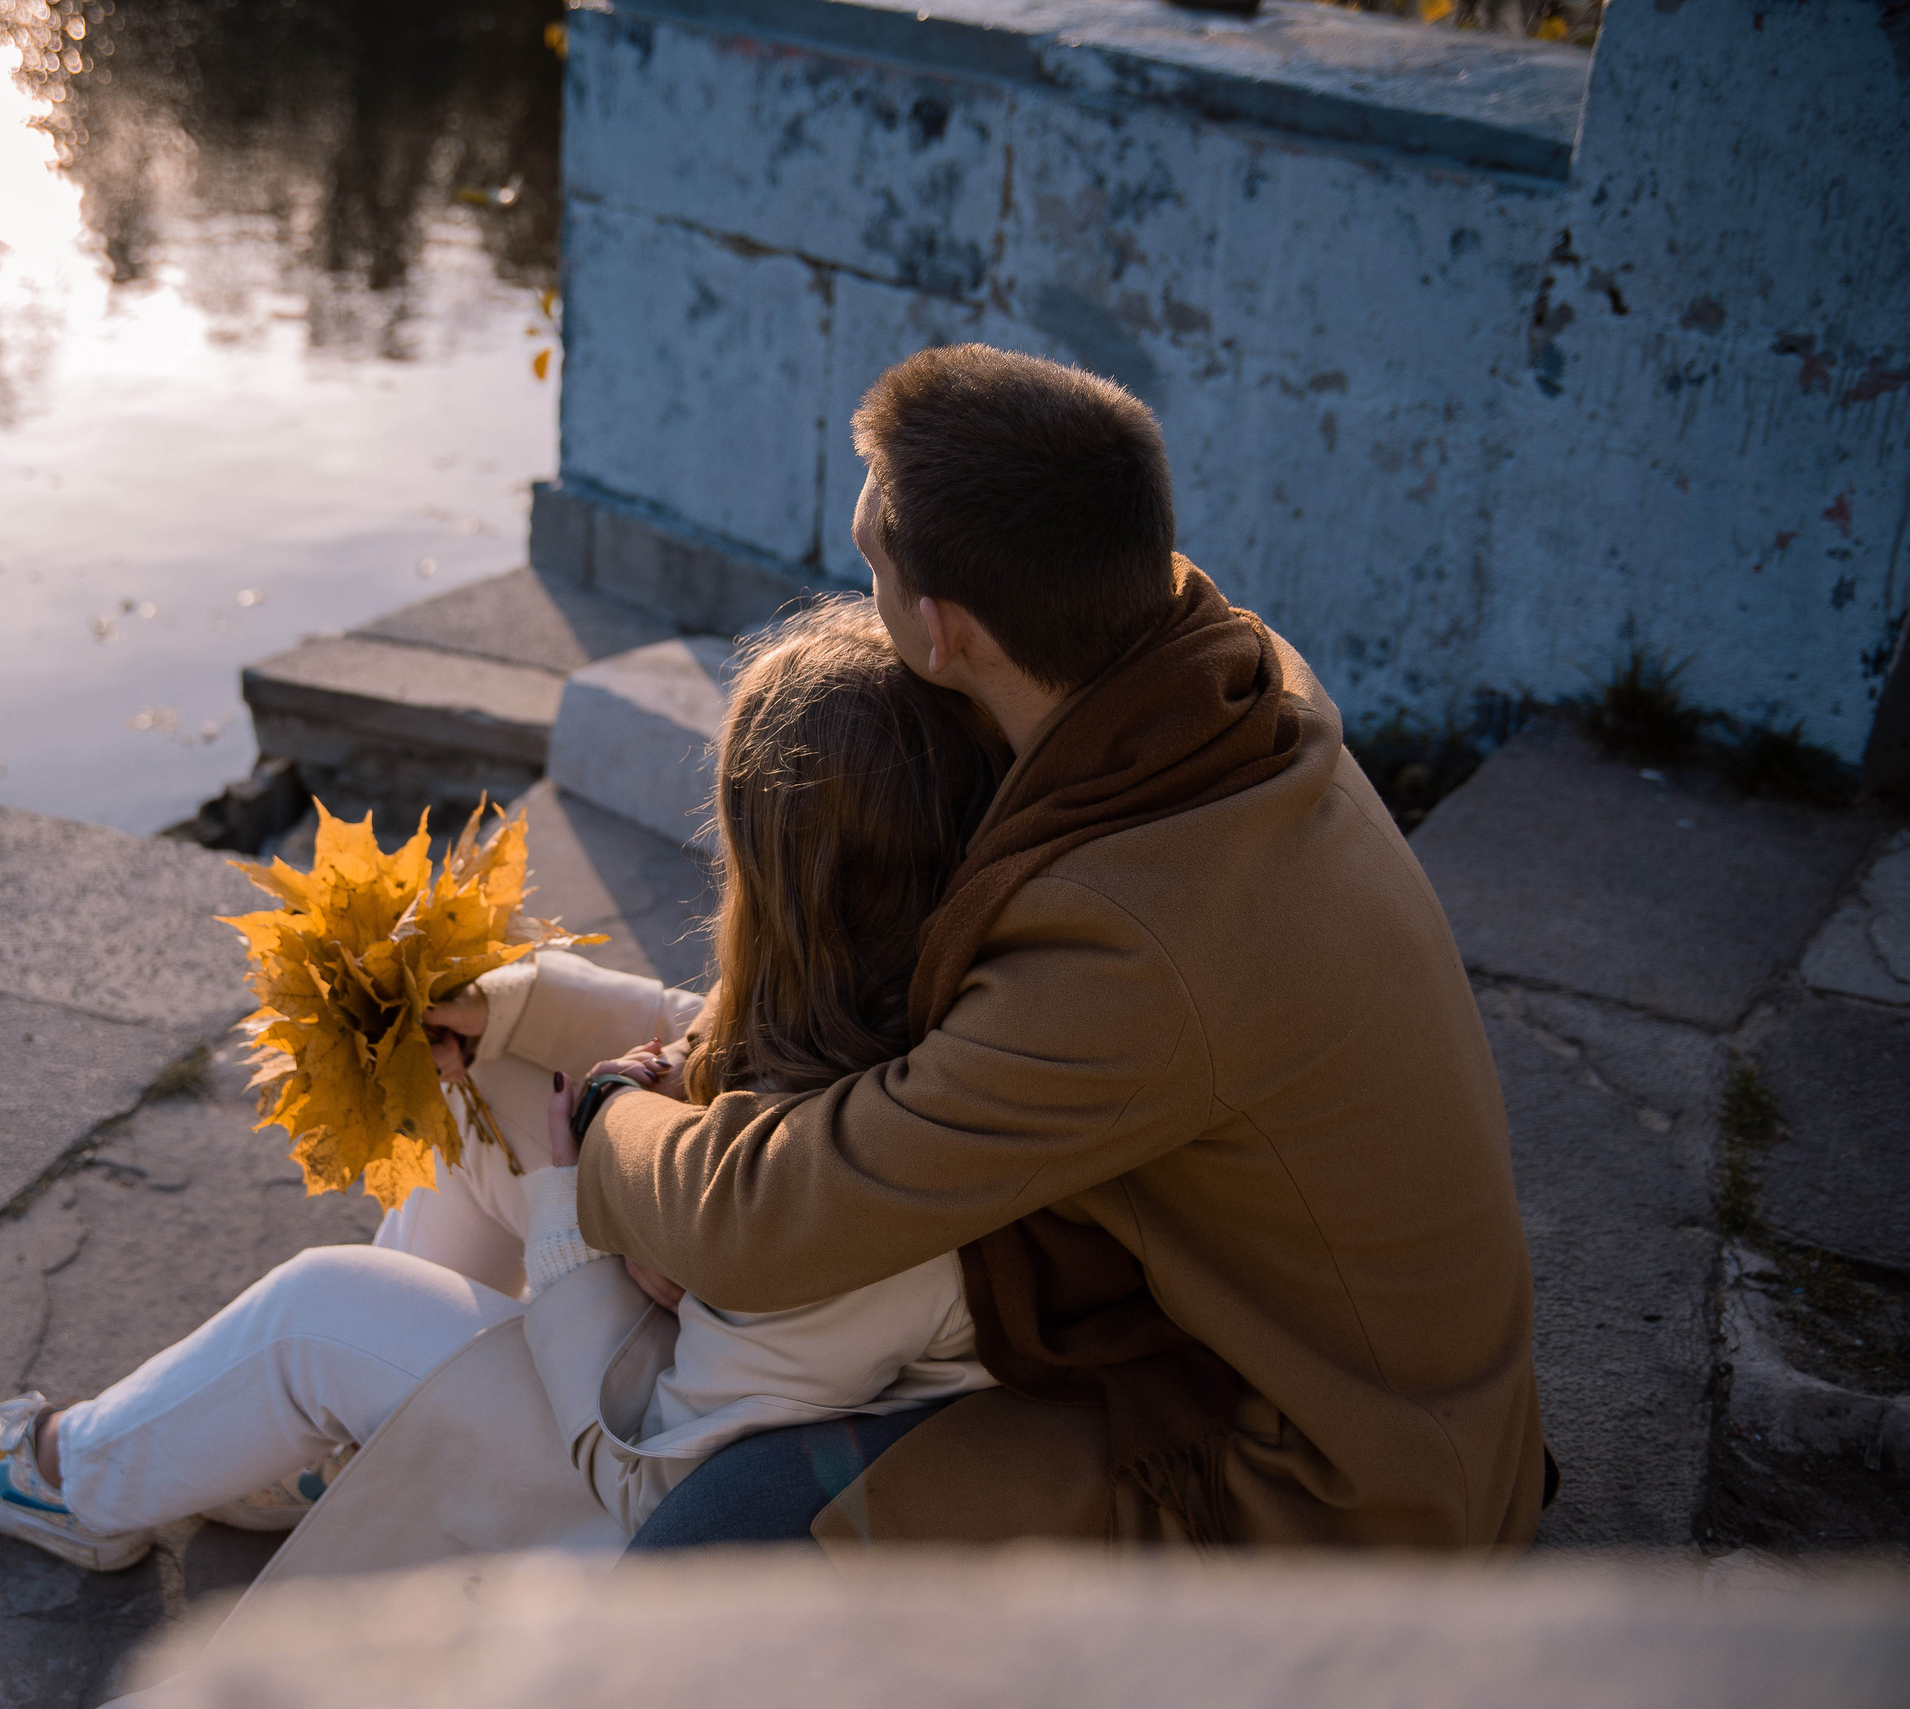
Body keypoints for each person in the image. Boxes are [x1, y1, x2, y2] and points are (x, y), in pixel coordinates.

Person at [529, 345, 1548, 1552]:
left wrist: (606, 1125)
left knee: (706, 1555)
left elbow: (770, 1221)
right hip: (1385, 1386)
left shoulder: (1127, 938)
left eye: (872, 567)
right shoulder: (1224, 683)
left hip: (1336, 1487)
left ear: (943, 631)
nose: (861, 598)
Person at [0, 599, 1011, 1572]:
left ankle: (76, 1481)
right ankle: (356, 1442)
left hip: (662, 1498)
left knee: (318, 1313)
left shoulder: (851, 1187)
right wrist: (512, 1011)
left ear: (777, 884)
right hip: (727, 1356)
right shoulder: (921, 993)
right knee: (489, 1086)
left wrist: (569, 1222)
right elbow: (708, 1028)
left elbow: (658, 1479)